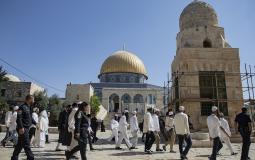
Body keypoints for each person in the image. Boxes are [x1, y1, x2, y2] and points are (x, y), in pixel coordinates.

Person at [11, 95, 34, 160]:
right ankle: (31, 158)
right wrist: (21, 127)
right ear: (29, 99)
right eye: (33, 99)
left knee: (19, 145)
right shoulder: (22, 107)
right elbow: (19, 118)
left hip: (26, 128)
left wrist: (36, 123)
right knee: (26, 144)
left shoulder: (29, 107)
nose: (33, 101)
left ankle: (14, 158)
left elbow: (30, 118)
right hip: (23, 129)